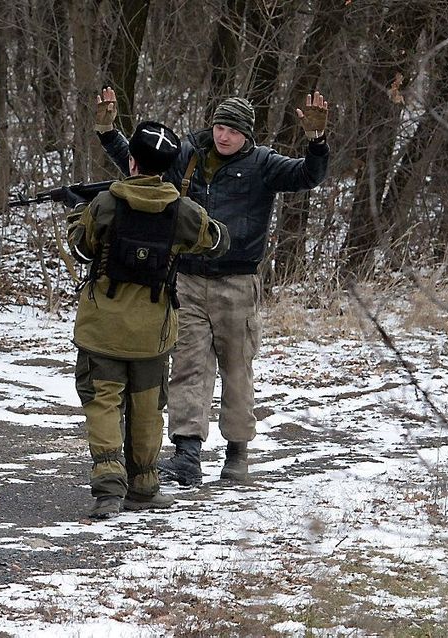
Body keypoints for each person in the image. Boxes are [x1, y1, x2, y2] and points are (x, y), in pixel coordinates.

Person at [93, 88, 330, 486]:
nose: (223, 136)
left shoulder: (263, 164)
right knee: (188, 367)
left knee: (237, 368)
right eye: (220, 126)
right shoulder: (188, 155)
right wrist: (107, 131)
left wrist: (317, 143)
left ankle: (237, 452)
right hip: (186, 278)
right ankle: (187, 455)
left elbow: (307, 176)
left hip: (237, 282)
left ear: (246, 135)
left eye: (233, 131)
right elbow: (141, 168)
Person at [66, 120, 230, 518]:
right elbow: (218, 241)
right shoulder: (183, 212)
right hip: (153, 331)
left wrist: (76, 213)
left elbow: (82, 248)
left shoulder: (105, 203)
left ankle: (108, 489)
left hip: (102, 327)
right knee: (146, 409)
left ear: (133, 162)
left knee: (103, 404)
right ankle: (144, 486)